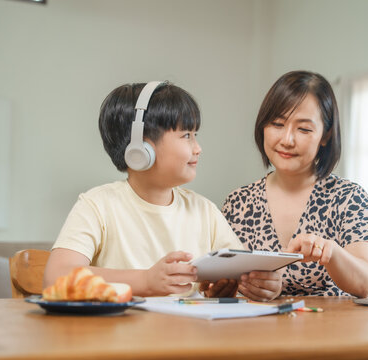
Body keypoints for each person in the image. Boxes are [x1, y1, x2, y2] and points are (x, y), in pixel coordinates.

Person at [43, 81, 241, 298]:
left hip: (185, 331)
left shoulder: (205, 210)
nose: (198, 148)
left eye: (196, 135)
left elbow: (241, 269)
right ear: (140, 148)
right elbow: (56, 276)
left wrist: (243, 285)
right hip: (118, 330)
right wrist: (146, 281)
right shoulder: (98, 204)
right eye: (186, 135)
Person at [222, 70, 368, 298]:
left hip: (333, 331)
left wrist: (331, 252)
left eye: (304, 129)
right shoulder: (238, 202)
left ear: (325, 136)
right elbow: (225, 284)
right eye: (277, 124)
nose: (287, 140)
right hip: (256, 332)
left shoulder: (349, 198)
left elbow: (365, 284)